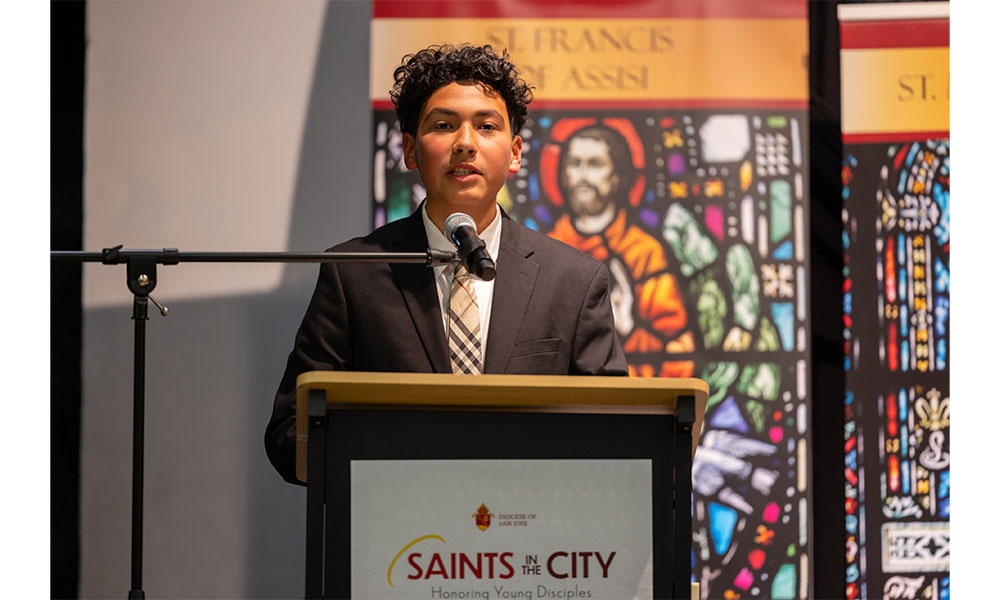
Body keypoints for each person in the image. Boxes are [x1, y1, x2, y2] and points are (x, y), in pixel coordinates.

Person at [265, 43, 628, 485]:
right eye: (443, 125)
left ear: (514, 153)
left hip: (529, 535)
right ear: (411, 151)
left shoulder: (572, 280)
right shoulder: (354, 272)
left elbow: (618, 434)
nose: (465, 143)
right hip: (399, 537)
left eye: (486, 126)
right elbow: (289, 434)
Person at [545, 123, 696, 378]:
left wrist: (627, 329)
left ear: (617, 177)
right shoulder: (545, 251)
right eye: (574, 163)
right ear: (562, 175)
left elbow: (679, 349)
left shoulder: (644, 253)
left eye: (595, 164)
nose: (582, 175)